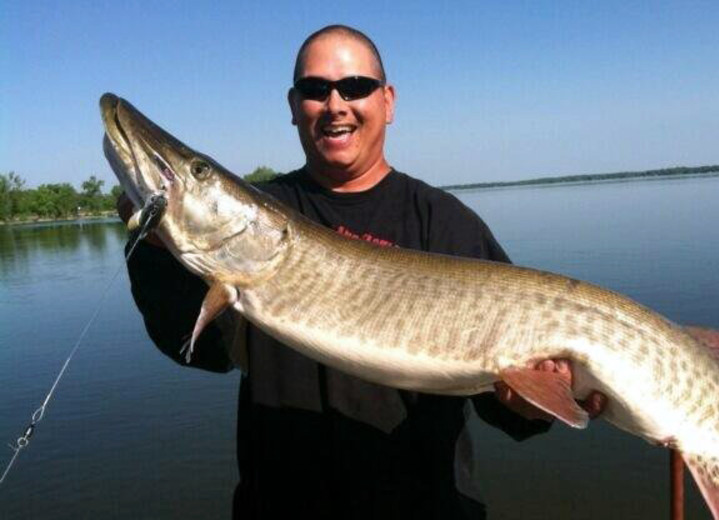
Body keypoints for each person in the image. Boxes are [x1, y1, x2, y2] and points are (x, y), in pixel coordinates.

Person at [119, 25, 605, 519]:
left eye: (355, 87)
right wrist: (158, 252)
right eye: (315, 90)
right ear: (293, 106)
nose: (335, 105)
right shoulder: (265, 216)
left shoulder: (445, 222)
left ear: (387, 101)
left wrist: (530, 402)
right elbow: (200, 348)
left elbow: (504, 410)